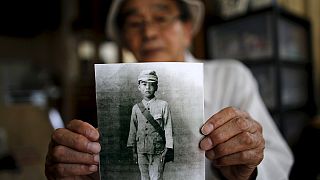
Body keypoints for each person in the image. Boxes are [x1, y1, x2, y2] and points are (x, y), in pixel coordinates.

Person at [45, 0, 294, 179]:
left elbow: (280, 163)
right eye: (134, 23)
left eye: (161, 18)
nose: (149, 32)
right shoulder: (117, 94)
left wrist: (249, 167)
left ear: (187, 29)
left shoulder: (230, 75)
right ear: (124, 39)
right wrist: (80, 168)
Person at [128, 70, 173, 180]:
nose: (147, 88)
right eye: (144, 84)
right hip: (141, 150)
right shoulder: (136, 108)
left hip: (157, 150)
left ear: (156, 87)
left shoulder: (163, 105)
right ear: (139, 87)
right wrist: (133, 150)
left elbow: (168, 127)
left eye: (151, 84)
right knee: (144, 177)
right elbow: (132, 130)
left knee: (156, 177)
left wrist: (169, 147)